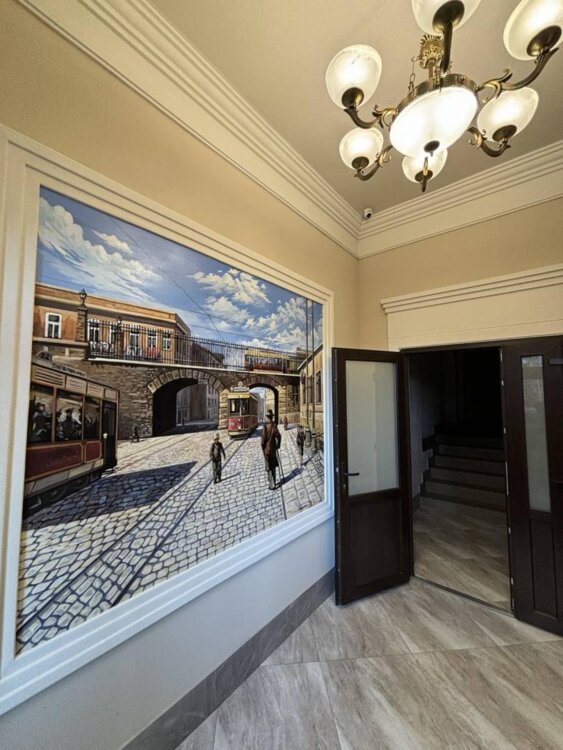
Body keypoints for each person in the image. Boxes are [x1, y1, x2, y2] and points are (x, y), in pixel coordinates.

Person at [261, 409, 281, 490]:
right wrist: (278, 445)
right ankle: (274, 483)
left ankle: (272, 485)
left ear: (267, 417)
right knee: (273, 466)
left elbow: (262, 442)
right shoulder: (274, 425)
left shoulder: (265, 427)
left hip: (267, 450)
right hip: (273, 449)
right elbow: (279, 436)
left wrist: (263, 450)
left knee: (269, 467)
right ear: (272, 417)